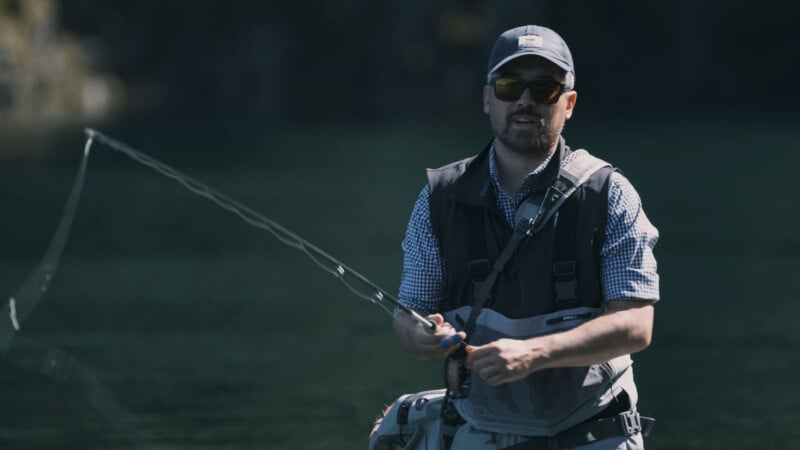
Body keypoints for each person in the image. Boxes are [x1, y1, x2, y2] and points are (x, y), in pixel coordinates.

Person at [392, 25, 660, 449]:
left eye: (544, 89)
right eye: (509, 86)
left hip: (592, 428)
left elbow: (636, 325)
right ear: (487, 99)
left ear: (568, 103)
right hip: (481, 428)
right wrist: (423, 336)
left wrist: (534, 353)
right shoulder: (437, 199)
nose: (524, 100)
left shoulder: (611, 194)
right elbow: (408, 320)